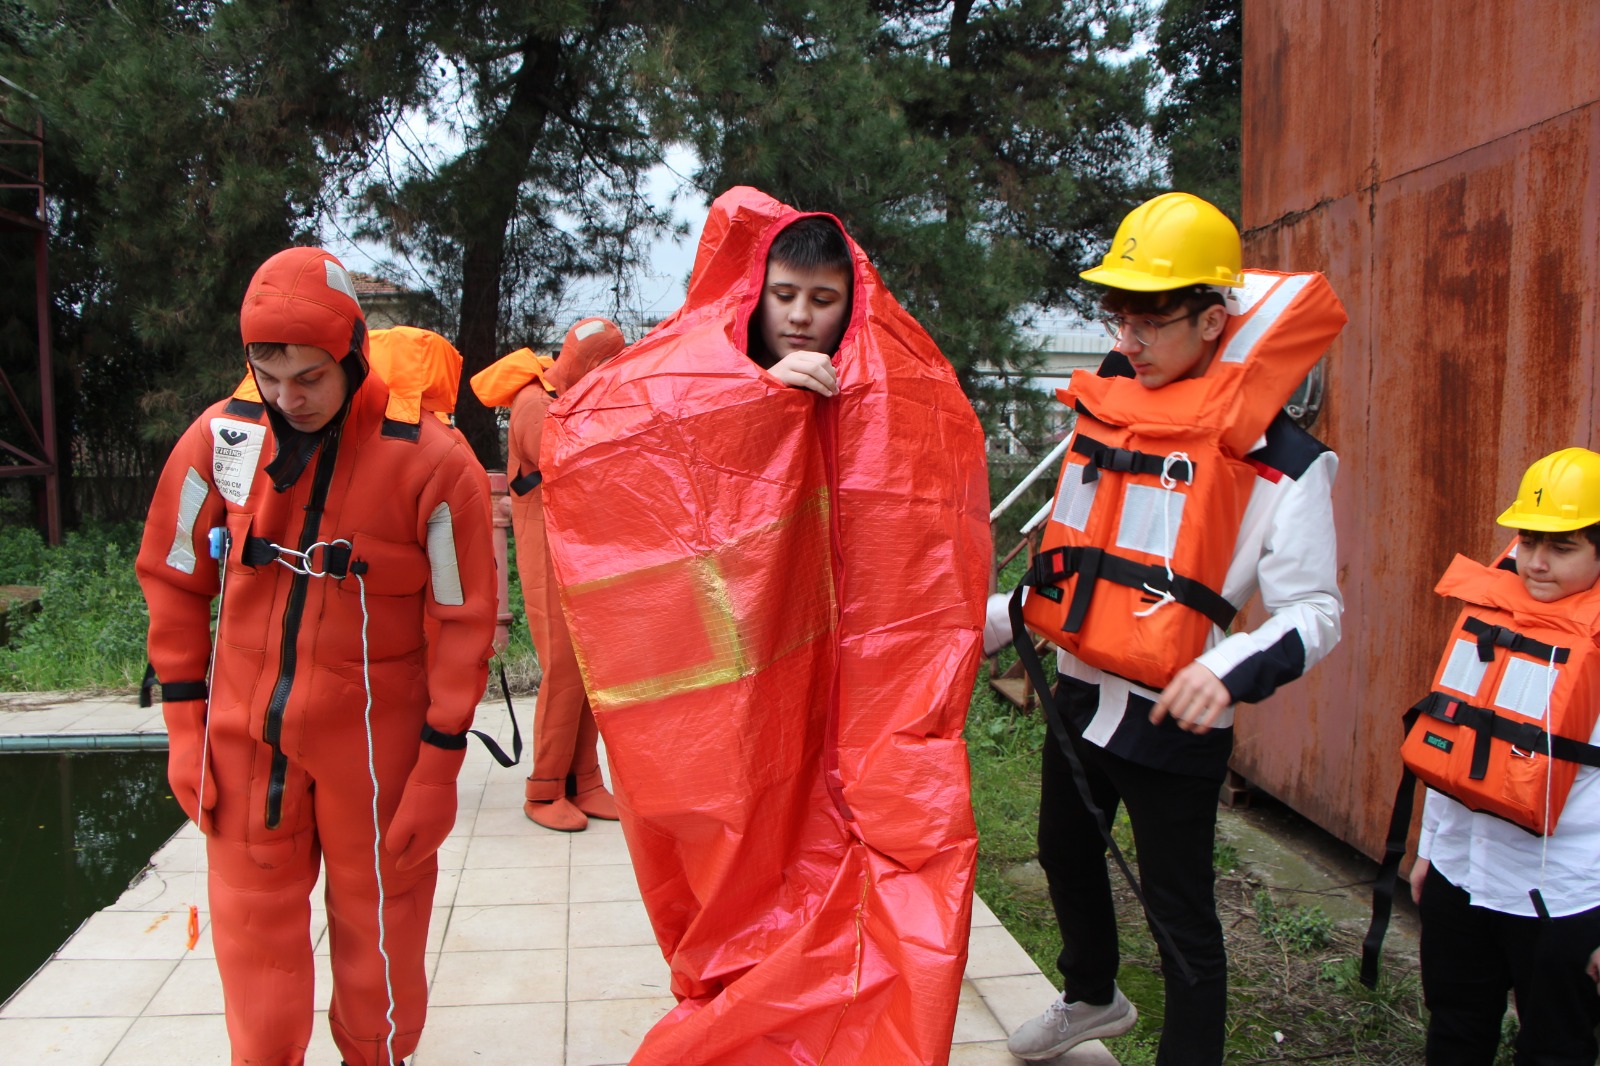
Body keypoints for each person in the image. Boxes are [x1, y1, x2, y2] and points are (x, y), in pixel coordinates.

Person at [535, 187, 991, 1065]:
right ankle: (746, 1020)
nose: (802, 318)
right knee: (745, 868)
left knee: (876, 860)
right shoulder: (700, 371)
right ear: (756, 291)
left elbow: (933, 518)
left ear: (851, 299)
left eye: (823, 300)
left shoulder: (899, 385)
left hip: (862, 694)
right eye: (785, 296)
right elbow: (593, 436)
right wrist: (758, 403)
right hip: (739, 692)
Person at [998, 192, 1346, 1064]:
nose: (1128, 340)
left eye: (1150, 321)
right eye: (1119, 316)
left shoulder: (1285, 463)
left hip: (1175, 717)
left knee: (1179, 915)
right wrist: (1004, 622)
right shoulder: (1108, 412)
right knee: (1062, 850)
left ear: (1214, 318)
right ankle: (1090, 997)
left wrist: (1228, 671)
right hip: (1082, 692)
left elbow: (1317, 613)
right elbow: (1072, 547)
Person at [136, 247, 496, 1066]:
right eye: (269, 374)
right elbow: (173, 572)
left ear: (353, 355)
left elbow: (465, 619)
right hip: (240, 738)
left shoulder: (434, 465)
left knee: (381, 934)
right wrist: (186, 727)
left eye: (309, 377)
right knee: (253, 937)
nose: (288, 398)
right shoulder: (223, 437)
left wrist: (440, 764)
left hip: (378, 749)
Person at [1403, 448, 1600, 1066]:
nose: (1536, 562)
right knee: (1456, 1031)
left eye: (1563, 547)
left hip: (1561, 895)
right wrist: (1431, 849)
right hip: (1462, 875)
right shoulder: (1491, 615)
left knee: (1555, 1050)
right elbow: (1451, 735)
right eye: (1528, 539)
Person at [469, 318, 627, 831]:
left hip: (577, 553)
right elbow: (567, 465)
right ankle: (543, 790)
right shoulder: (536, 404)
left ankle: (585, 781)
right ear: (594, 364)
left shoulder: (566, 396)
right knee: (563, 671)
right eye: (608, 365)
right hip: (548, 559)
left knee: (586, 672)